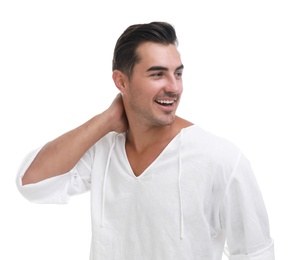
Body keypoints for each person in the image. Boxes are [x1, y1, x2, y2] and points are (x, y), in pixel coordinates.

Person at [16, 21, 275, 259]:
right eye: (157, 74)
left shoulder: (220, 158)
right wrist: (106, 119)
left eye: (178, 73)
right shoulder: (104, 149)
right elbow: (32, 182)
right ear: (121, 81)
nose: (174, 87)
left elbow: (256, 253)